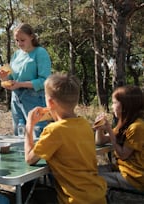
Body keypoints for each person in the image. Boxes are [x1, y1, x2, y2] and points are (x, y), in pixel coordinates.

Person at [24, 73, 107, 204]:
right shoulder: (85, 125)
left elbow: (29, 159)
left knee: (26, 193)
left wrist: (29, 126)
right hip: (97, 195)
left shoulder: (53, 130)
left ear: (50, 102)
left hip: (74, 200)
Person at [0, 23, 51, 137]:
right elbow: (12, 80)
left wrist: (20, 84)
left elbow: (45, 81)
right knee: (19, 135)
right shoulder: (16, 55)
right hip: (16, 100)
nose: (19, 43)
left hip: (36, 100)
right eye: (16, 40)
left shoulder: (40, 52)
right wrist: (4, 78)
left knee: (38, 135)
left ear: (31, 37)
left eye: (22, 40)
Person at [95, 85, 144, 192]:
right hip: (121, 169)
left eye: (114, 103)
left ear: (126, 106)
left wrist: (109, 130)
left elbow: (123, 155)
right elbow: (100, 141)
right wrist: (99, 128)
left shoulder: (137, 127)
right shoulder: (124, 124)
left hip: (134, 177)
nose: (112, 106)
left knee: (90, 178)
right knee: (87, 171)